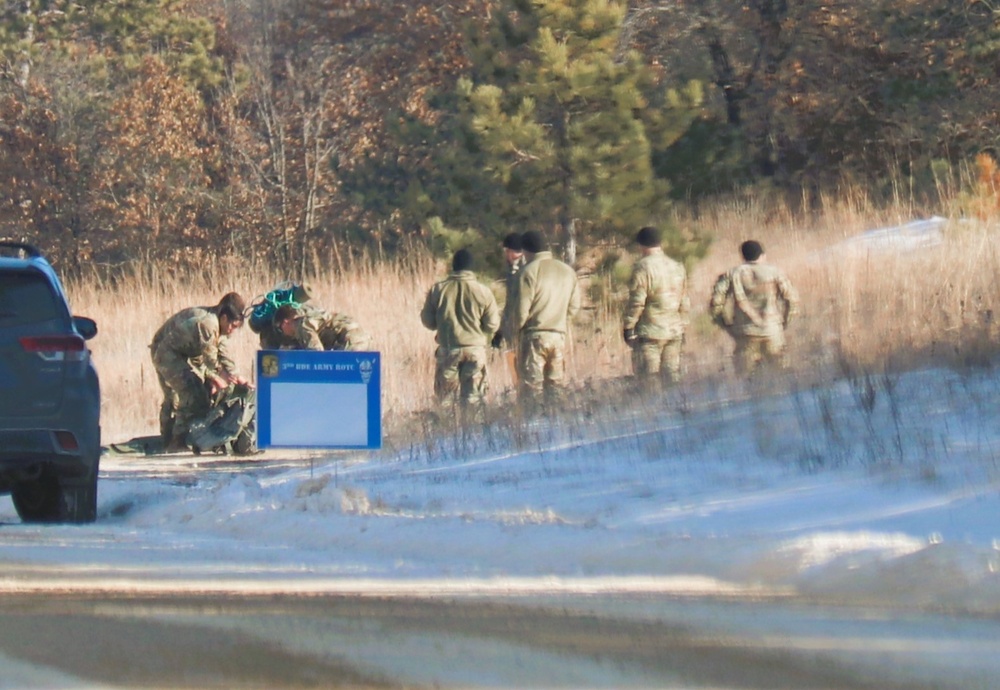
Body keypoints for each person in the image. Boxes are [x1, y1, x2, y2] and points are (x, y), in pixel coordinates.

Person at [150, 292, 249, 452]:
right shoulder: (208, 324)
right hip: (165, 352)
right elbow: (211, 360)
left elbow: (222, 354)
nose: (232, 331)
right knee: (187, 391)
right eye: (232, 326)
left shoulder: (220, 327)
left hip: (186, 352)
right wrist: (220, 376)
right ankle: (174, 441)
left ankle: (177, 438)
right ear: (224, 318)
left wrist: (237, 377)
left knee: (202, 390)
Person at [421, 248, 500, 417]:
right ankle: (473, 436)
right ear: (471, 268)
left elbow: (428, 322)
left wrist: (442, 324)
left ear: (453, 267)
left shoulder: (438, 290)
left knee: (445, 401)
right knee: (474, 400)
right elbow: (492, 325)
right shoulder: (483, 291)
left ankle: (447, 435)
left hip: (448, 350)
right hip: (475, 351)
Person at [709, 239, 799, 376]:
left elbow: (716, 303)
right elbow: (792, 300)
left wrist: (727, 325)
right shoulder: (775, 272)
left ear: (743, 256)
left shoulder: (732, 274)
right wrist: (785, 323)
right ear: (762, 255)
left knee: (747, 378)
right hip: (772, 329)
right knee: (780, 375)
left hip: (745, 333)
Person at [514, 229, 580, 410]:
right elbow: (574, 307)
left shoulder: (528, 272)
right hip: (558, 336)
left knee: (531, 389)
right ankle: (557, 421)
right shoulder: (567, 271)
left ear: (526, 251)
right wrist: (560, 322)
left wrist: (514, 332)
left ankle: (534, 426)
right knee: (556, 387)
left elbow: (521, 311)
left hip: (534, 337)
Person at [622, 226, 690, 390]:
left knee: (649, 380)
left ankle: (653, 413)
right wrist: (683, 325)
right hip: (674, 330)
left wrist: (628, 325)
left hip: (650, 332)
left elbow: (638, 302)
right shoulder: (677, 266)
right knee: (672, 379)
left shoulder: (642, 267)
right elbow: (685, 300)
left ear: (641, 245)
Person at [492, 232, 526, 383]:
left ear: (511, 252)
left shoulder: (520, 271)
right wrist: (500, 331)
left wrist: (504, 329)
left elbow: (512, 305)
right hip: (514, 331)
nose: (505, 255)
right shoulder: (514, 269)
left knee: (521, 377)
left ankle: (524, 401)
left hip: (520, 332)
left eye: (506, 251)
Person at [270, 303, 373, 351]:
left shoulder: (302, 325)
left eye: (280, 329)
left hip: (351, 342)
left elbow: (316, 353)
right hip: (363, 339)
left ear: (285, 322)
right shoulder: (311, 316)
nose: (283, 333)